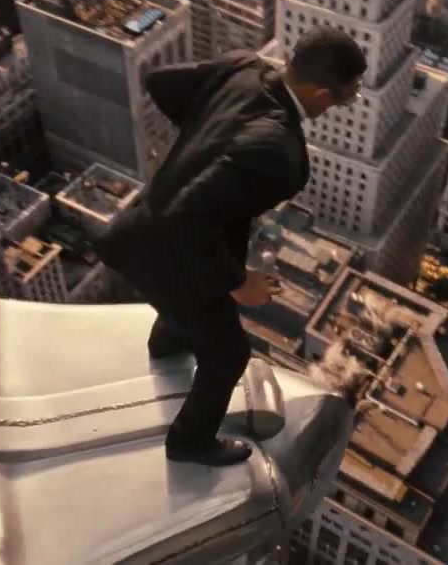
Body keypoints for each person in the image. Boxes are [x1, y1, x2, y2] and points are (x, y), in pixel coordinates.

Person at [92, 28, 368, 466]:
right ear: (320, 94)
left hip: (139, 229)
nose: (336, 106)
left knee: (191, 311)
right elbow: (187, 218)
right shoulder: (279, 151)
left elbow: (160, 82)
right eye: (341, 99)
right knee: (228, 354)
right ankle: (189, 443)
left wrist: (201, 139)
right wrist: (239, 283)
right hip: (172, 251)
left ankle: (166, 348)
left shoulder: (243, 66)